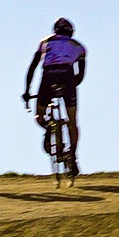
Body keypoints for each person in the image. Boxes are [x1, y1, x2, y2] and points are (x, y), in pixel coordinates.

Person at [26, 18, 86, 158]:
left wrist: (27, 91)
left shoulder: (45, 42)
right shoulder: (79, 46)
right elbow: (80, 75)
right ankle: (72, 156)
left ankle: (48, 128)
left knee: (39, 115)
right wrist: (71, 86)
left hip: (48, 75)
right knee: (72, 120)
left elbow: (32, 68)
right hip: (68, 76)